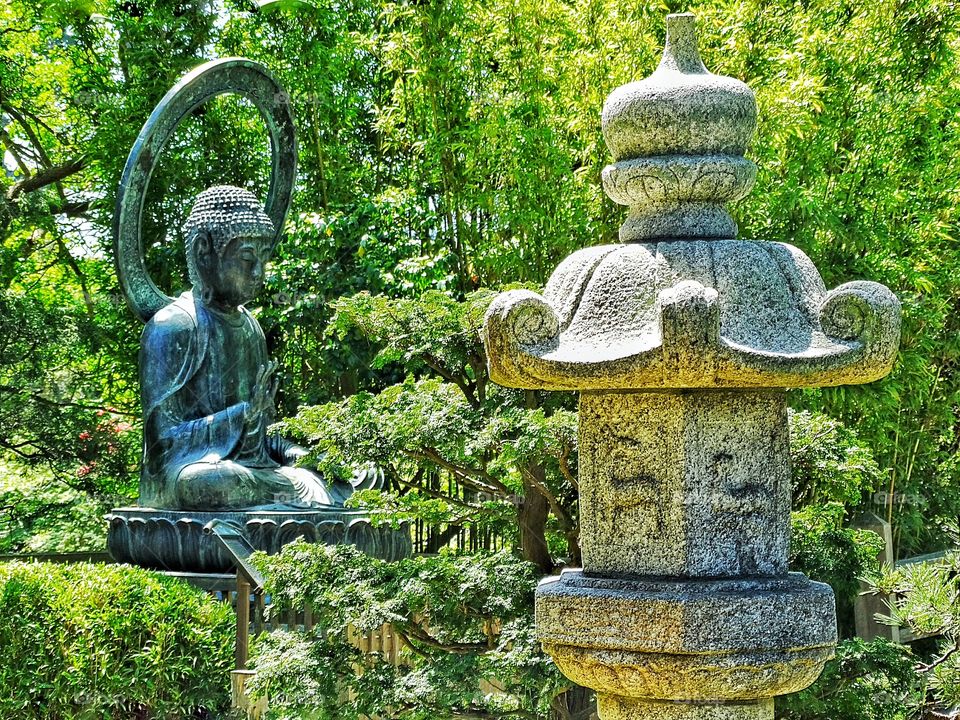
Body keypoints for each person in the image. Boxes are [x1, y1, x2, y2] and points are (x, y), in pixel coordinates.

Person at [138, 185, 367, 510]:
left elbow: (264, 435)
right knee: (213, 483)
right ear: (204, 251)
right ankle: (300, 499)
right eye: (247, 259)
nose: (258, 272)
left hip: (255, 471)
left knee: (359, 477)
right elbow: (163, 444)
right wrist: (239, 416)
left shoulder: (251, 328)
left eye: (262, 260)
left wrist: (299, 455)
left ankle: (298, 494)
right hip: (191, 476)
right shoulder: (172, 326)